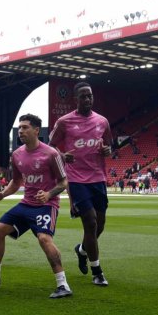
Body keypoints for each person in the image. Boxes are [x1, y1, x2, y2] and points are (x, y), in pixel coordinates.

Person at [0, 114, 72, 299]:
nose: (21, 131)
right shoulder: (17, 155)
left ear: (36, 130)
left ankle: (63, 284)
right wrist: (3, 194)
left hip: (46, 205)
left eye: (25, 127)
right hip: (26, 204)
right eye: (20, 128)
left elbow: (64, 182)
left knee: (44, 238)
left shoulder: (51, 154)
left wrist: (49, 194)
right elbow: (17, 181)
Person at [49, 82, 112, 286]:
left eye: (90, 96)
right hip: (76, 179)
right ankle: (97, 271)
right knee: (91, 222)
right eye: (83, 96)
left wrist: (107, 151)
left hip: (98, 178)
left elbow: (109, 145)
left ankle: (82, 250)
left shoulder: (102, 121)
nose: (87, 99)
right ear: (75, 99)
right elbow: (49, 148)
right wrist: (62, 154)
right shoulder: (64, 122)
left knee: (99, 224)